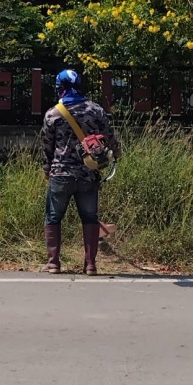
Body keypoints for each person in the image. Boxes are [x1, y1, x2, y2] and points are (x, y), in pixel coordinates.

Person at [41, 69, 121, 275]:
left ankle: (53, 263)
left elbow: (47, 146)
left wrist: (47, 169)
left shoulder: (53, 114)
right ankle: (90, 265)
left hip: (61, 173)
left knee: (53, 217)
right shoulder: (96, 110)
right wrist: (116, 153)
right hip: (88, 173)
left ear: (60, 87)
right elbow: (109, 136)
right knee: (89, 218)